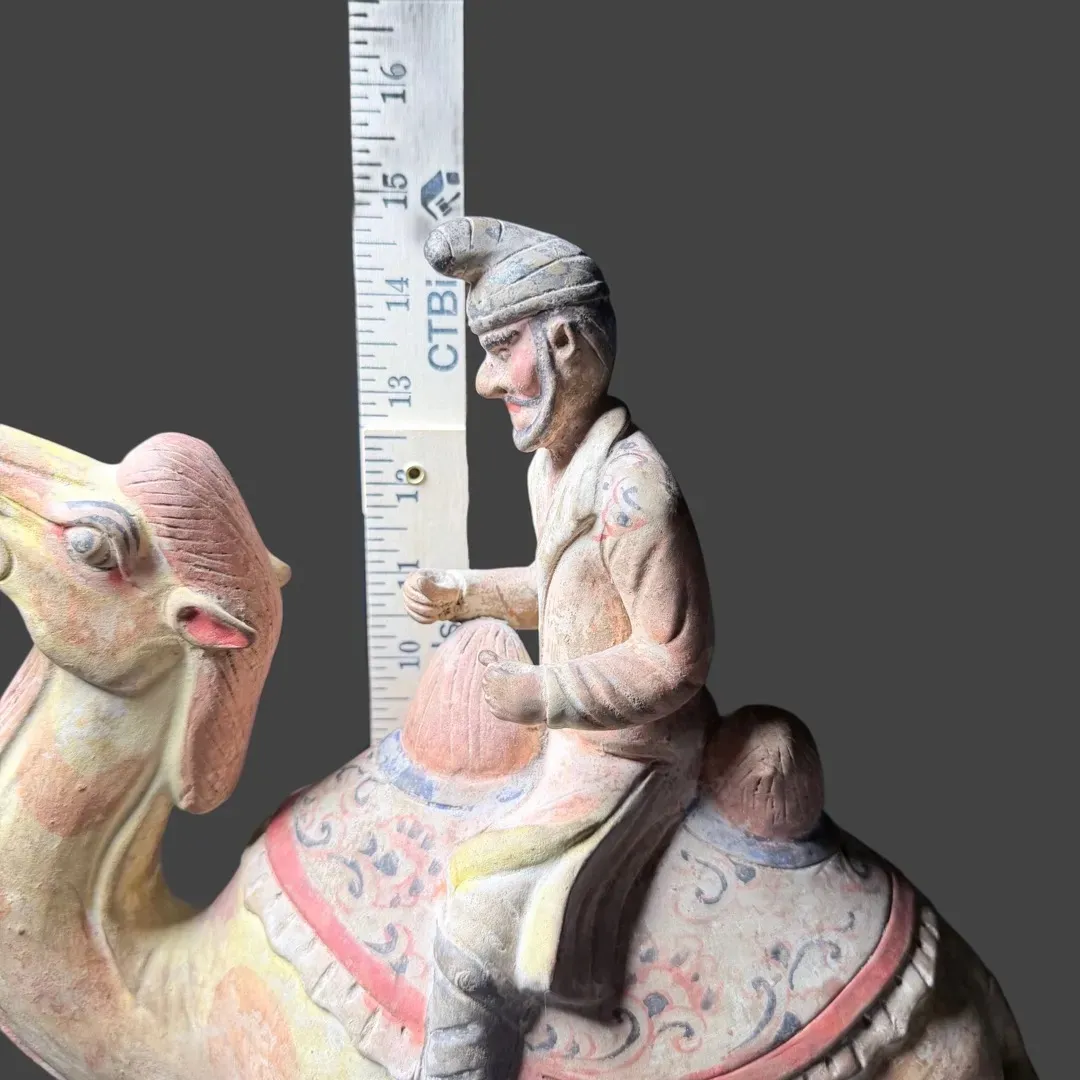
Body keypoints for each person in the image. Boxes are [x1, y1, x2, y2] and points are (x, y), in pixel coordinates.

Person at [403, 216, 717, 1080]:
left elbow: (675, 657)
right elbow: (561, 591)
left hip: (632, 756)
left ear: (566, 343)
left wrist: (545, 693)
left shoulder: (634, 492)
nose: (485, 380)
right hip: (578, 738)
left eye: (503, 349)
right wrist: (465, 593)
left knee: (474, 925)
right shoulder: (553, 469)